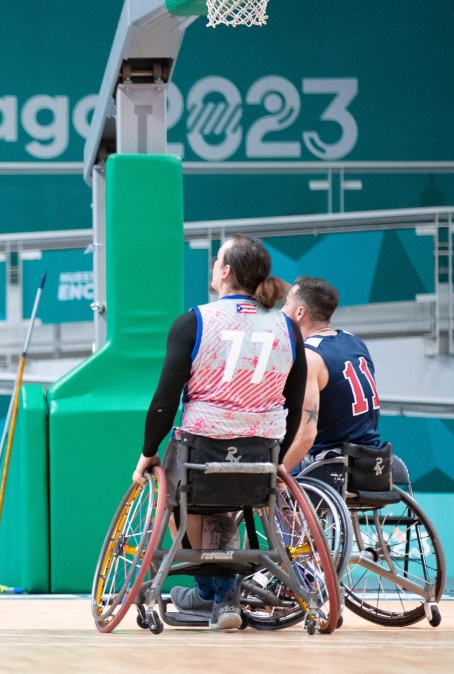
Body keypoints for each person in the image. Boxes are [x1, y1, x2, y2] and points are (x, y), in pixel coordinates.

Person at [130, 234, 307, 630]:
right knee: (224, 504)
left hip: (201, 450)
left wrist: (147, 451)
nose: (213, 266)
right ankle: (219, 595)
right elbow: (293, 406)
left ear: (225, 272)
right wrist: (278, 458)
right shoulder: (288, 328)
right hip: (261, 450)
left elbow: (164, 400)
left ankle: (215, 589)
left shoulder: (195, 321)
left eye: (217, 261)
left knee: (180, 497)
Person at [280, 276, 381, 472]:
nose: (282, 310)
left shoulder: (310, 357)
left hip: (331, 463)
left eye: (286, 304)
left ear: (300, 312)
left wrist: (276, 477)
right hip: (373, 459)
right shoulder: (355, 343)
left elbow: (305, 437)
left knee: (262, 476)